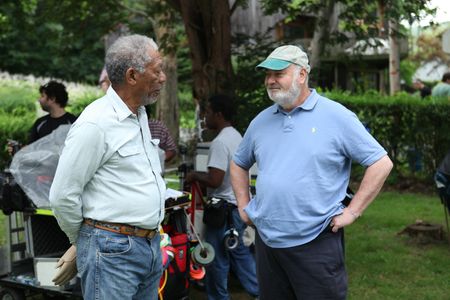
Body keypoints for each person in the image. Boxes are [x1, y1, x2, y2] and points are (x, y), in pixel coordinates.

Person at [230, 45, 393, 300]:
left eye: (279, 73)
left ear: (302, 74)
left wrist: (352, 211)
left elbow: (381, 163)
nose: (270, 80)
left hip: (316, 242)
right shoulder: (261, 121)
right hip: (268, 243)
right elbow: (238, 162)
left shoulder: (336, 116)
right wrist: (243, 205)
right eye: (267, 75)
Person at [49, 34, 167, 300]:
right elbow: (62, 195)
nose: (163, 78)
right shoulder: (96, 123)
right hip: (114, 251)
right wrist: (80, 242)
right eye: (157, 70)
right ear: (132, 76)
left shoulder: (139, 114)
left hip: (148, 245)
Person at [185, 94, 259, 300]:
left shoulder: (219, 142)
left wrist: (194, 176)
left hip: (223, 211)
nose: (205, 117)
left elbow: (215, 179)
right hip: (240, 207)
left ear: (218, 115)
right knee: (241, 254)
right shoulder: (237, 136)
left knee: (217, 259)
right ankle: (261, 292)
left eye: (207, 112)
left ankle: (219, 297)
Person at [7, 81, 77, 155]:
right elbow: (32, 148)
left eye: (42, 96)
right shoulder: (40, 123)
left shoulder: (74, 123)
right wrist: (18, 149)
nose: (39, 100)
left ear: (52, 98)